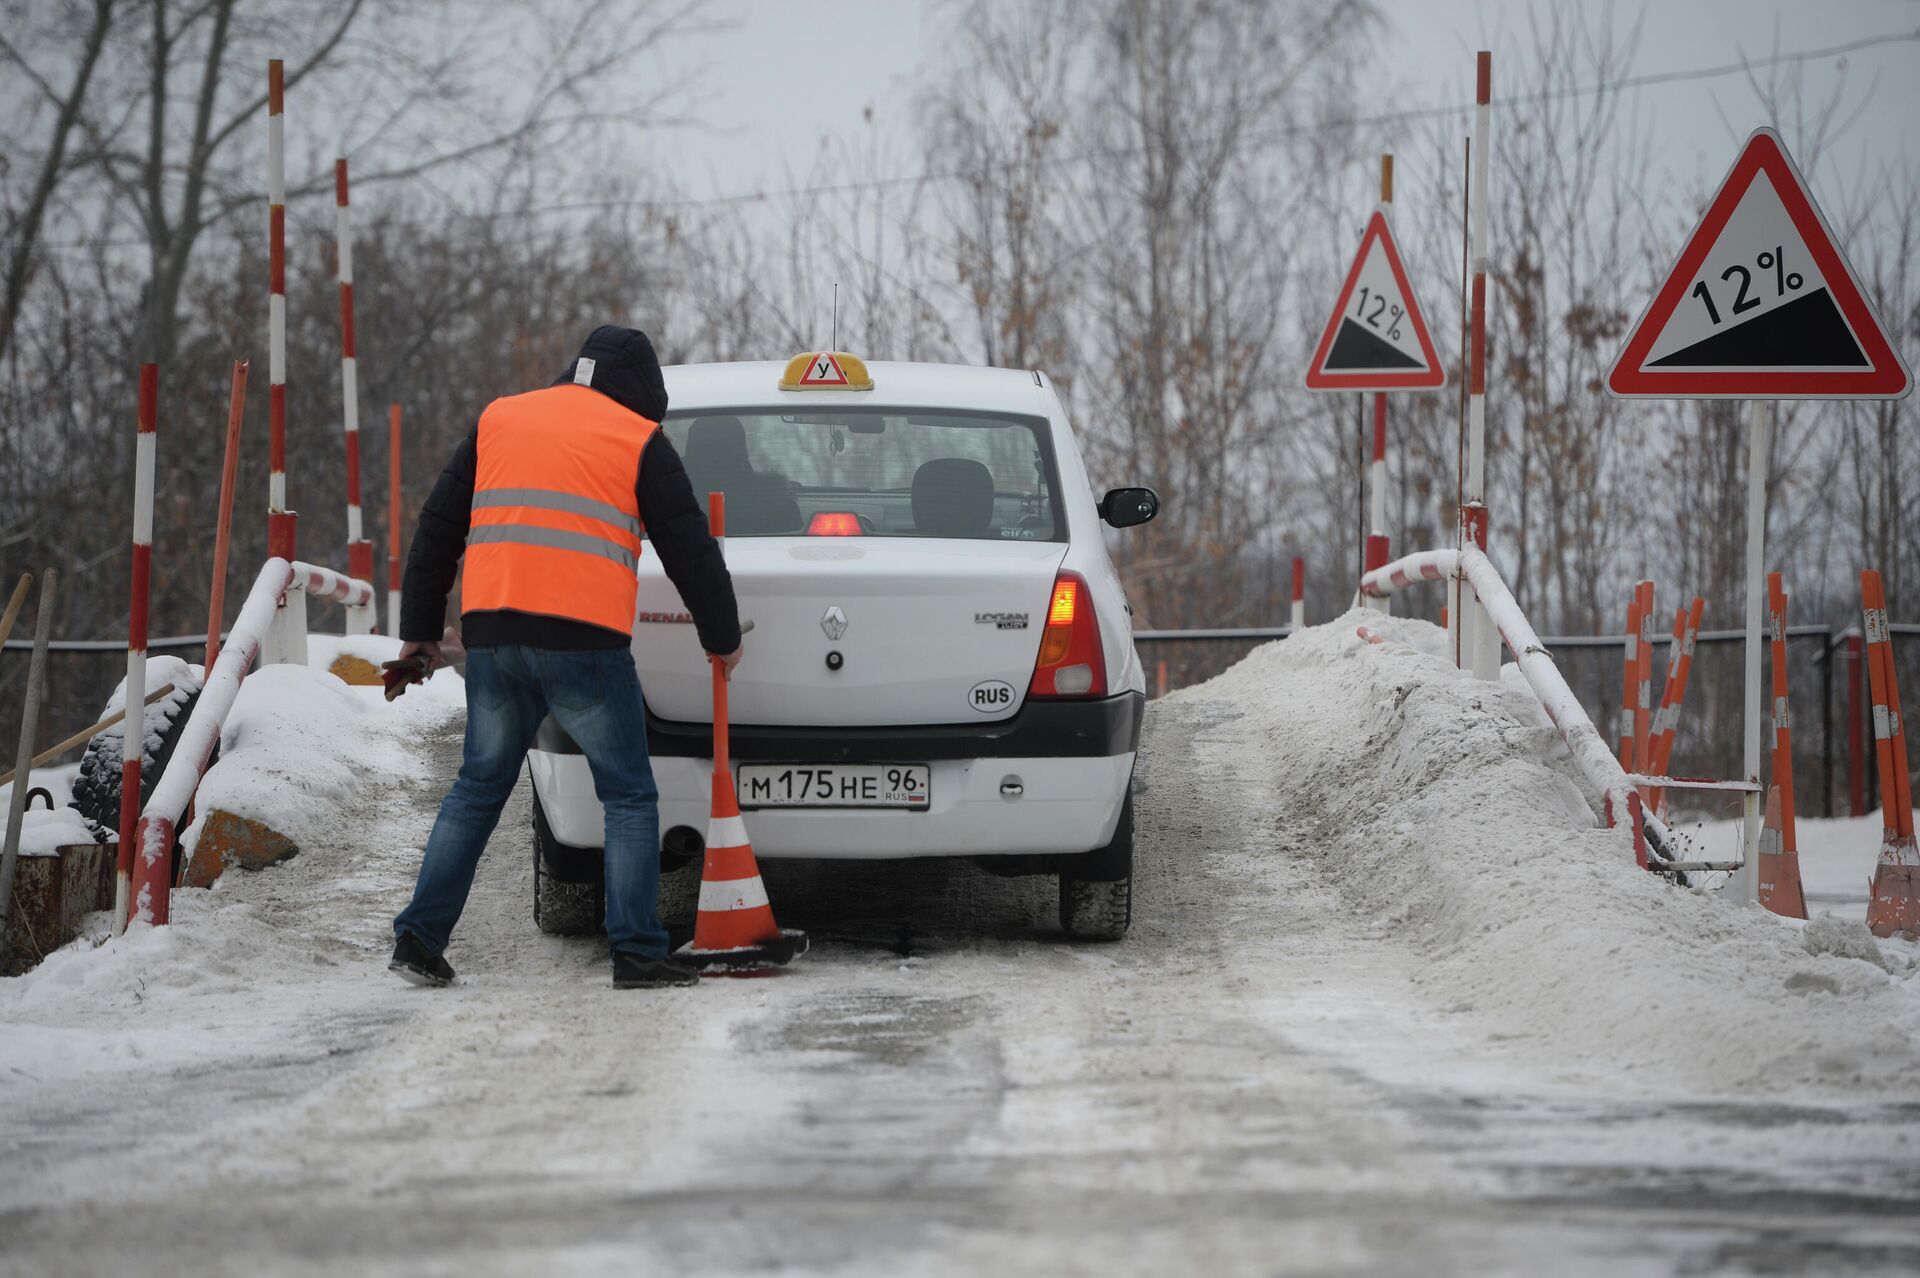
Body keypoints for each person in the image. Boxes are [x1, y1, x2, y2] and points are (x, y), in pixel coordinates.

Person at [388, 326, 741, 990]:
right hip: (585, 642)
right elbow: (689, 547)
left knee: (476, 790)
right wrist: (721, 637)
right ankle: (637, 950)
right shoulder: (638, 439)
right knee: (629, 795)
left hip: (494, 637)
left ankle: (418, 939)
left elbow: (438, 526)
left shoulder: (500, 417)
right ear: (642, 393)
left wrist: (418, 629)